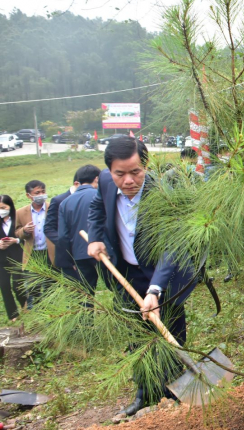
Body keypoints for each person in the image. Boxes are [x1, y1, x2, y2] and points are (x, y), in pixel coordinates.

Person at [87, 137, 197, 416]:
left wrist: (156, 289)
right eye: (120, 174)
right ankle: (145, 394)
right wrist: (96, 237)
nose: (128, 181)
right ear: (110, 171)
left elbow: (172, 245)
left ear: (145, 165)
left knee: (170, 332)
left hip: (166, 276)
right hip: (128, 273)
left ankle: (173, 393)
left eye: (135, 172)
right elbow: (97, 208)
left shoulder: (164, 190)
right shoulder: (105, 182)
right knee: (137, 336)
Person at [56, 165, 105, 294]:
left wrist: (69, 260)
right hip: (103, 251)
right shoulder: (101, 195)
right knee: (118, 290)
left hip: (79, 255)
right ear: (96, 179)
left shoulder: (65, 203)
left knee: (85, 294)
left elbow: (62, 236)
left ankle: (87, 314)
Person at [15, 180, 54, 307]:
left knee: (50, 287)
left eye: (43, 192)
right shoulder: (20, 212)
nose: (41, 195)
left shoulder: (52, 208)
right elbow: (16, 232)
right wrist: (24, 231)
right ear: (28, 195)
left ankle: (52, 314)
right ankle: (36, 314)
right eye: (37, 192)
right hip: (32, 255)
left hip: (50, 254)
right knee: (33, 288)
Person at [45, 172, 83, 269]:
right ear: (76, 184)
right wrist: (66, 245)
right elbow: (49, 228)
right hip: (68, 257)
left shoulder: (91, 198)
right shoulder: (59, 200)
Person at [0, 195, 26, 321]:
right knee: (4, 286)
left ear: (10, 206)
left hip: (17, 256)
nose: (1, 210)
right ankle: (13, 314)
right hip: (1, 257)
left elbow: (25, 236)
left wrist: (15, 240)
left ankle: (25, 306)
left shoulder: (17, 218)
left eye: (3, 207)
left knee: (18, 285)